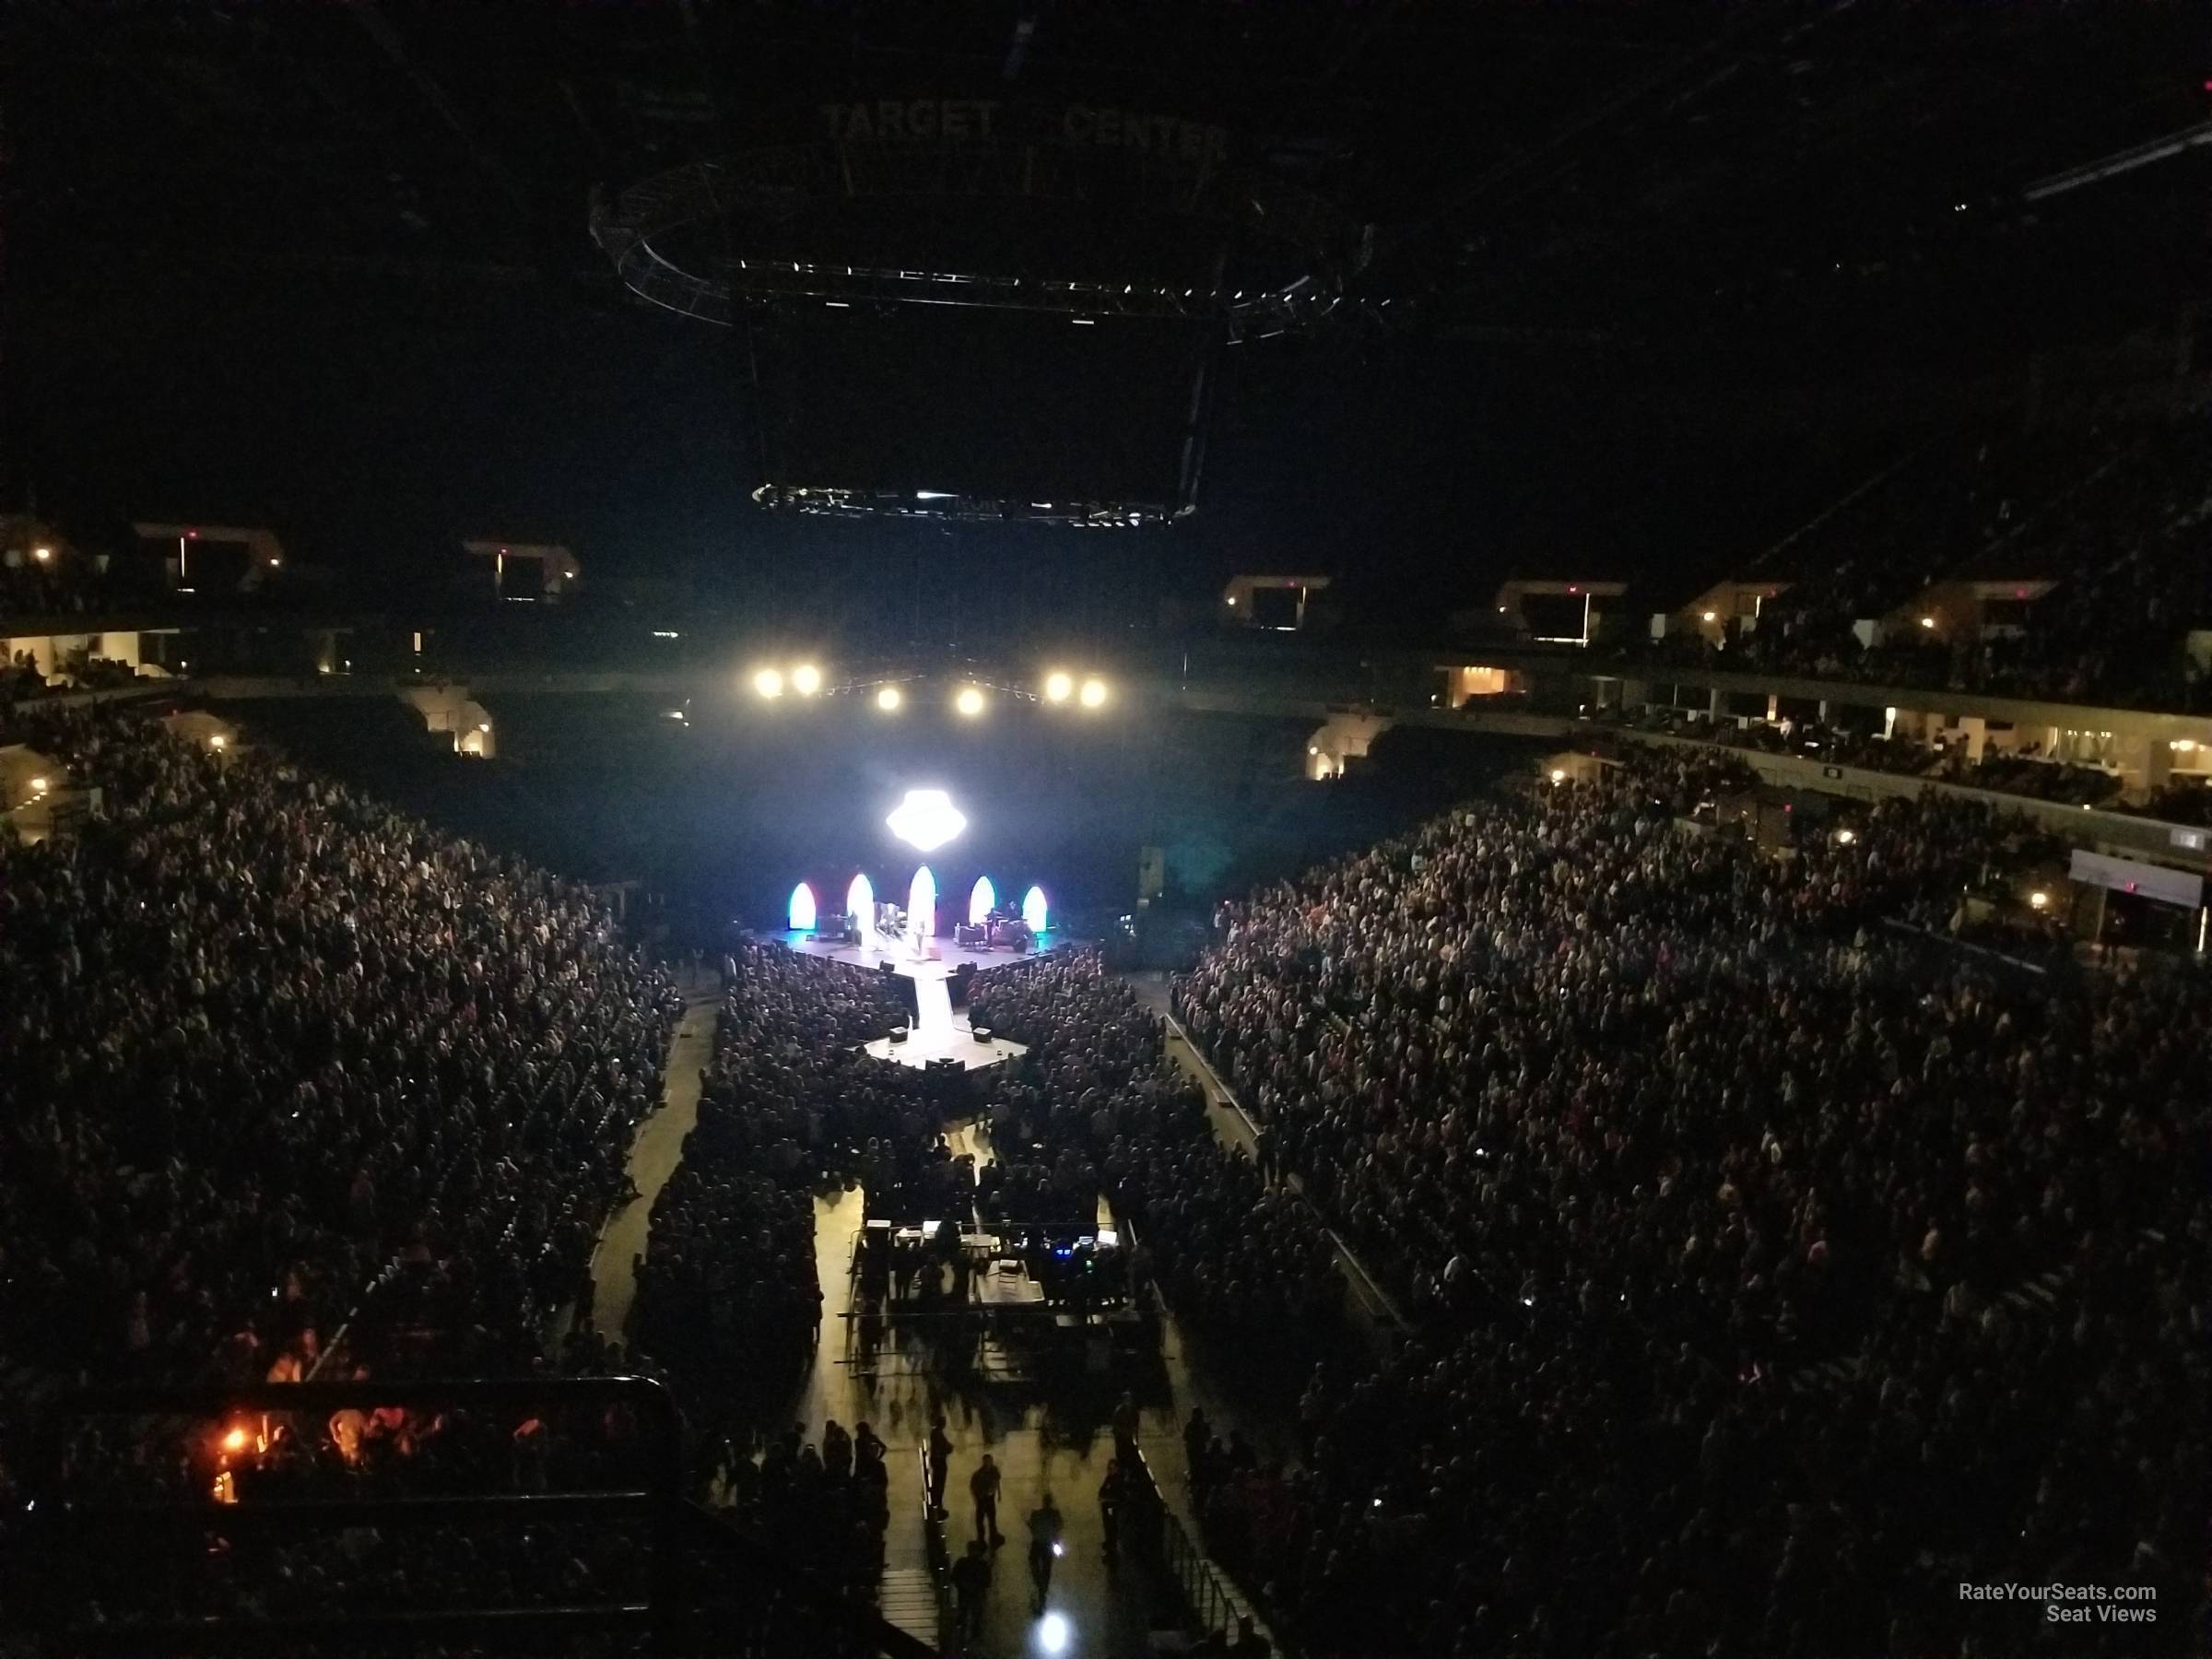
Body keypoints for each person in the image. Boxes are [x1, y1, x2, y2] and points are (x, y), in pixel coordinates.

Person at [1026, 1491, 1064, 1607]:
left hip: (1037, 1542)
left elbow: (1032, 1526)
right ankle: (1044, 1587)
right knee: (1047, 1566)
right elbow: (1060, 1525)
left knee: (1033, 1562)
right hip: (1049, 1543)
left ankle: (1038, 1582)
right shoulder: (1055, 1514)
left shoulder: (1036, 1514)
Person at [950, 1539, 992, 1645]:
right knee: (974, 1614)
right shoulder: (982, 1565)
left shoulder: (962, 1562)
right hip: (975, 1594)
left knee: (967, 1613)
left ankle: (963, 1636)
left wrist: (962, 1585)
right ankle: (973, 1636)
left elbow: (954, 1577)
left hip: (966, 1594)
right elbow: (987, 1582)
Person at [970, 1451, 1003, 1547]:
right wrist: (977, 1497)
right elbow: (973, 1486)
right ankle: (982, 1538)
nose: (989, 1463)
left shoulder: (994, 1470)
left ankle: (992, 1536)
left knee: (991, 1518)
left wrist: (999, 1493)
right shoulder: (979, 1474)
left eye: (990, 1461)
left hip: (990, 1498)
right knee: (980, 1519)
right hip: (982, 1498)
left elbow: (997, 1482)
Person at [1099, 1457, 1127, 1558]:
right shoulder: (1109, 1479)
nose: (1110, 1470)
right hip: (1108, 1510)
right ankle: (1110, 1550)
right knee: (1109, 1530)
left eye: (1112, 1468)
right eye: (1109, 1468)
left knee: (1113, 1531)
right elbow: (1102, 1491)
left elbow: (1119, 1497)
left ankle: (1113, 1553)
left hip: (1114, 1511)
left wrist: (1107, 1499)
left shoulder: (1118, 1480)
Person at [927, 1415, 954, 1519]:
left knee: (937, 1482)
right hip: (940, 1460)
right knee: (939, 1483)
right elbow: (945, 1446)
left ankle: (936, 1503)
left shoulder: (935, 1433)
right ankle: (937, 1505)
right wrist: (949, 1447)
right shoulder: (938, 1434)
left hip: (937, 1459)